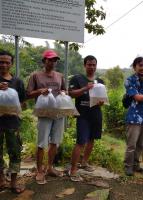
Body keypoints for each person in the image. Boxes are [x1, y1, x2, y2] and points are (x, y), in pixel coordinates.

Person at [27, 49, 66, 184]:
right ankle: (39, 171)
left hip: (59, 112)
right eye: (50, 60)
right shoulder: (36, 76)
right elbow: (28, 94)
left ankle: (50, 167)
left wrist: (63, 93)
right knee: (42, 142)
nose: (53, 62)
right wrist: (39, 91)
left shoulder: (60, 76)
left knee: (55, 141)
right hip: (44, 113)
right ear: (44, 61)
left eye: (55, 60)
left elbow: (64, 90)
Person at [68, 55, 104, 181]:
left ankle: (84, 163)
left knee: (91, 139)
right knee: (81, 141)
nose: (92, 67)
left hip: (96, 113)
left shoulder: (100, 81)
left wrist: (101, 102)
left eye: (94, 65)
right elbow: (71, 94)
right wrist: (85, 88)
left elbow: (102, 98)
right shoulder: (77, 78)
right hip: (82, 114)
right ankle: (73, 170)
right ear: (85, 65)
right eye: (89, 64)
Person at [0, 50, 26, 193]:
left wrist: (13, 108)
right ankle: (1, 180)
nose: (4, 65)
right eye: (1, 62)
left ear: (11, 64)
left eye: (7, 62)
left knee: (15, 152)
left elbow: (23, 102)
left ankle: (13, 184)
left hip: (13, 123)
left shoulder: (17, 81)